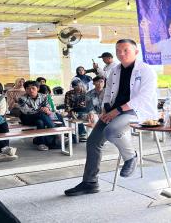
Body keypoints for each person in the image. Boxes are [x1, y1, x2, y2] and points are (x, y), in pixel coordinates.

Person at [64, 38, 158, 197]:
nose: (121, 54)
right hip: (114, 110)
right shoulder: (115, 70)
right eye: (118, 51)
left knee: (111, 131)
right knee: (93, 142)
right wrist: (107, 108)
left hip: (136, 111)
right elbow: (108, 93)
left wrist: (117, 111)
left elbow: (144, 98)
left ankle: (131, 156)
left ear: (136, 51)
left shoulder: (146, 70)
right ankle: (90, 182)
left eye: (125, 50)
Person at [18, 81, 58, 151]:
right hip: (27, 118)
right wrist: (41, 110)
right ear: (25, 90)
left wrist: (47, 109)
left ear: (38, 88)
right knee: (41, 115)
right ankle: (55, 133)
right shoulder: (22, 98)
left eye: (33, 88)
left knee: (40, 122)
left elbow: (49, 107)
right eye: (28, 88)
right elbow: (26, 111)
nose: (31, 90)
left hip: (41, 118)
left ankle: (41, 143)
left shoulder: (44, 96)